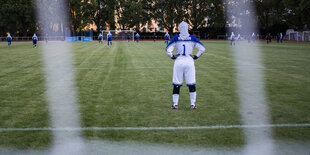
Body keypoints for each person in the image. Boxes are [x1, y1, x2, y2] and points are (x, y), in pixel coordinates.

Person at [166, 21, 205, 110]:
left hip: (179, 62)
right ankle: (192, 105)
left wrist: (172, 56)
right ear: (187, 28)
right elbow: (202, 48)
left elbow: (168, 49)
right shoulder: (192, 38)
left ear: (179, 28)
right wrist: (196, 56)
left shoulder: (176, 38)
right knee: (191, 84)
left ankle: (175, 104)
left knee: (176, 84)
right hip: (189, 62)